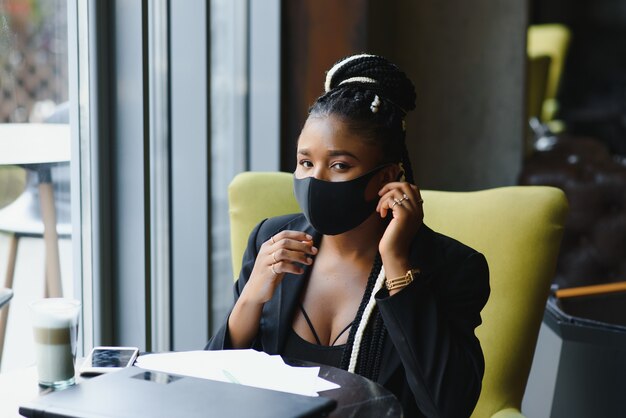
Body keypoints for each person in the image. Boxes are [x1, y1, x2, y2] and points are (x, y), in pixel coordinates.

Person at [206, 53, 490, 418]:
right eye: (306, 162)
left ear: (388, 178)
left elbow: (449, 407)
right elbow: (211, 384)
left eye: (339, 165)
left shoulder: (452, 267)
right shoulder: (273, 240)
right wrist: (251, 299)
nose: (315, 180)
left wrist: (398, 264)